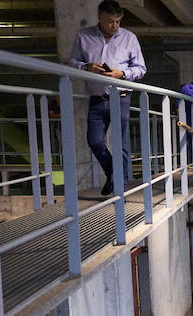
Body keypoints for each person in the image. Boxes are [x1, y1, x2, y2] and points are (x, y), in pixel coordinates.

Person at [68, 0, 146, 196]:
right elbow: (72, 61)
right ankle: (114, 174)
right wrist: (86, 67)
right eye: (110, 22)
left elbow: (141, 68)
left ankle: (120, 190)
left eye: (118, 21)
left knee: (121, 145)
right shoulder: (84, 36)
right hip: (96, 98)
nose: (115, 26)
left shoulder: (129, 38)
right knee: (94, 141)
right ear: (99, 19)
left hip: (121, 97)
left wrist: (122, 74)